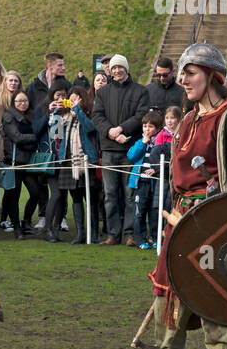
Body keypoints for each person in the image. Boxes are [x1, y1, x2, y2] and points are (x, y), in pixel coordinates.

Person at [113, 42, 227, 349]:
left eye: (191, 73)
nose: (182, 80)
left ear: (213, 76)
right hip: (178, 224)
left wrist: (212, 224)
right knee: (167, 305)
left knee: (217, 308)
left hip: (215, 227)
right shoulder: (190, 119)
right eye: (182, 74)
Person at [92, 54, 151, 246]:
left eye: (120, 67)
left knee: (129, 194)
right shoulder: (102, 93)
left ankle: (130, 234)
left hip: (130, 150)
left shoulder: (140, 91)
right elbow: (97, 116)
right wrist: (112, 132)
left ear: (126, 68)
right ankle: (113, 233)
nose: (117, 71)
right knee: (109, 195)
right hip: (109, 150)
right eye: (114, 68)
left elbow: (141, 115)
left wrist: (122, 129)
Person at [39, 83, 96, 243]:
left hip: (84, 161)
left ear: (82, 99)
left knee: (89, 198)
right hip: (68, 161)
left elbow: (90, 127)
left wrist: (77, 109)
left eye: (75, 99)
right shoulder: (64, 115)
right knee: (76, 198)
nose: (72, 102)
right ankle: (80, 234)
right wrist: (55, 111)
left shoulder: (88, 112)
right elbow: (54, 134)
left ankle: (93, 233)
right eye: (70, 99)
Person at [0, 90, 40, 239]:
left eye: (25, 101)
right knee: (14, 196)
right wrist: (36, 137)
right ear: (13, 103)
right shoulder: (9, 116)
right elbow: (17, 137)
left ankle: (26, 222)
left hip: (28, 161)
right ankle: (17, 228)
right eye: (19, 101)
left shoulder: (31, 116)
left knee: (35, 193)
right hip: (14, 162)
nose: (23, 104)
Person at [126, 110, 168, 249]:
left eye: (150, 126)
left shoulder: (160, 142)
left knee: (154, 212)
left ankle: (155, 238)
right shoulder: (140, 141)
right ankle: (140, 239)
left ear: (157, 128)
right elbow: (131, 156)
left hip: (154, 183)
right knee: (139, 212)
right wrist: (143, 143)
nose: (146, 129)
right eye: (144, 126)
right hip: (140, 183)